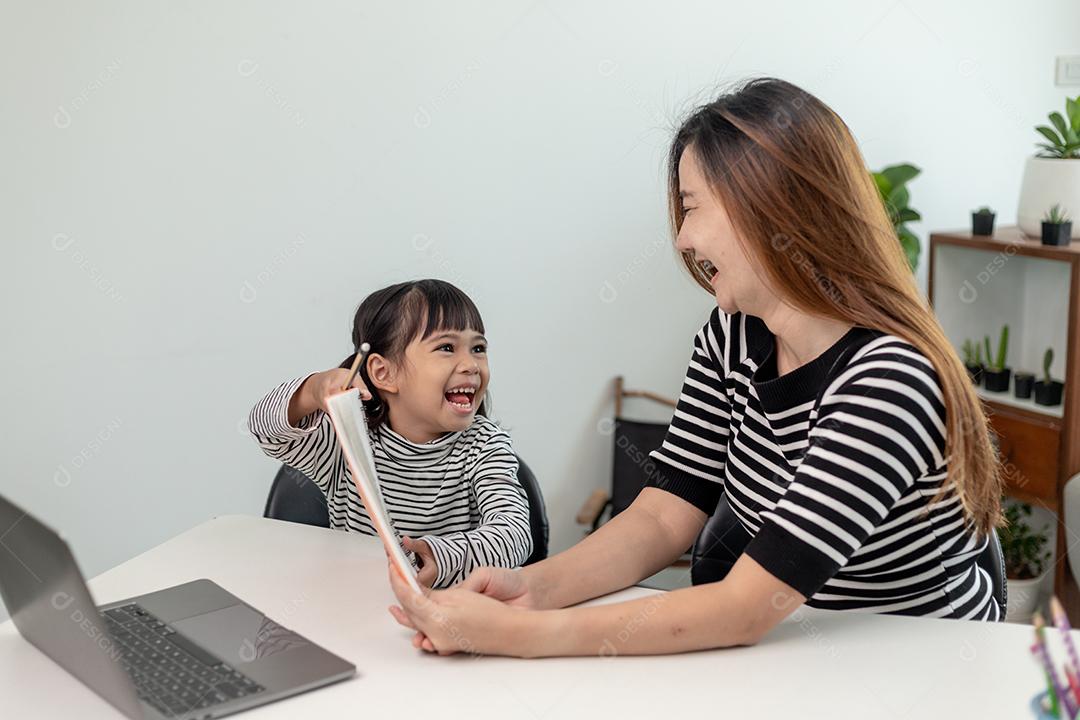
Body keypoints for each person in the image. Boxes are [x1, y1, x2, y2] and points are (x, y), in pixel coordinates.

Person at [387, 78, 1003, 657]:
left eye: (693, 207)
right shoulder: (731, 335)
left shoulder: (888, 380)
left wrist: (520, 635)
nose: (682, 239)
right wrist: (531, 590)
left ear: (771, 209)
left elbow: (745, 609)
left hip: (922, 666)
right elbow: (664, 512)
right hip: (801, 652)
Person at [248, 279, 532, 588]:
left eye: (478, 348)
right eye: (446, 348)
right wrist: (314, 389)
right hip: (352, 607)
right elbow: (265, 429)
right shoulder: (346, 442)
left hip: (448, 617)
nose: (471, 365)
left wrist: (439, 557)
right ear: (384, 373)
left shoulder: (485, 445)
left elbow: (515, 535)